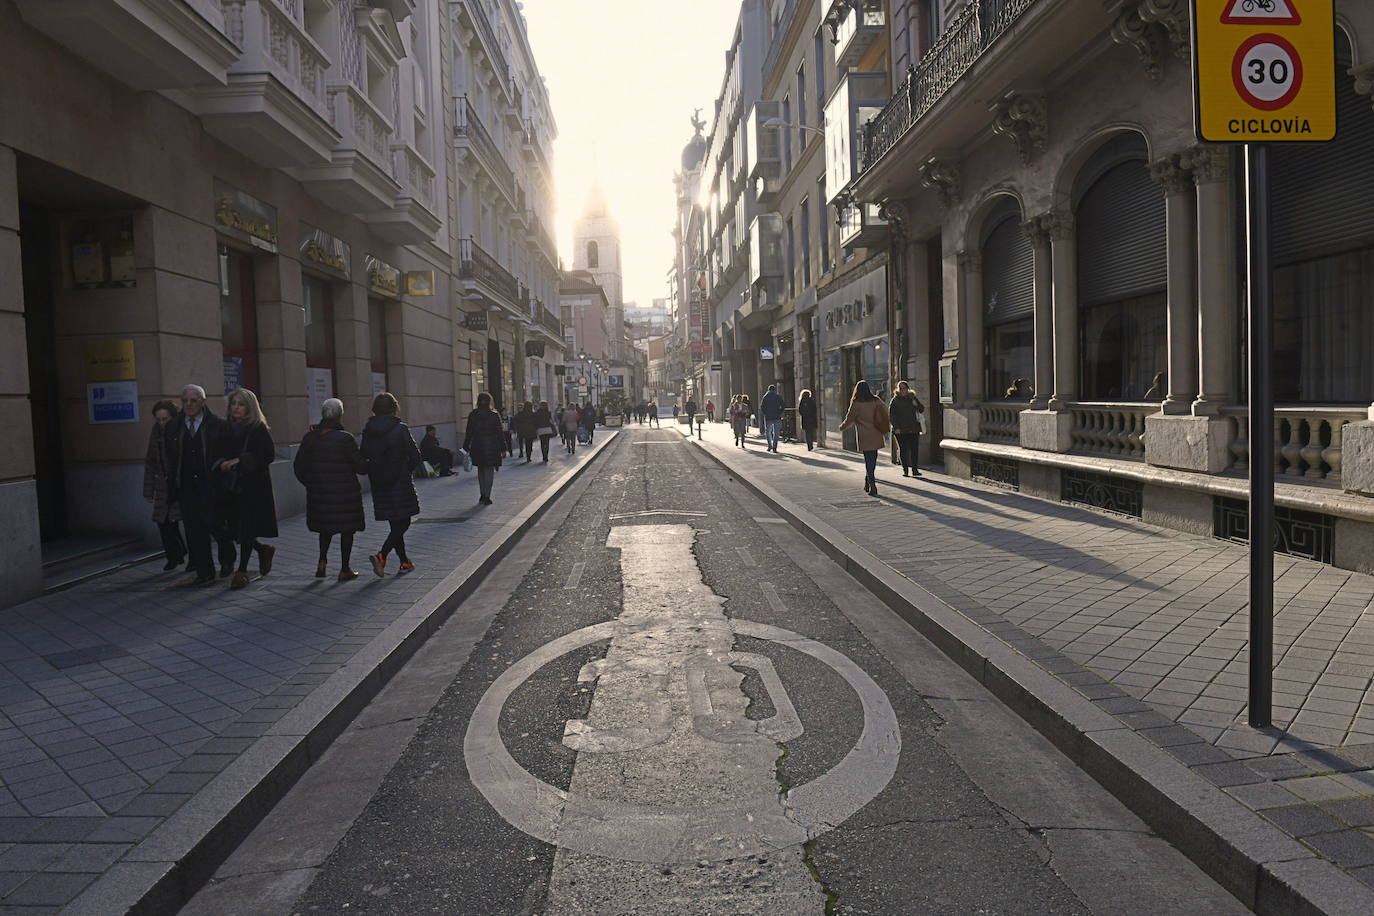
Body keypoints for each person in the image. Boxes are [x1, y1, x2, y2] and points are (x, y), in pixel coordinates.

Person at [166, 384, 235, 586]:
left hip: (211, 485)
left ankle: (227, 559)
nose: (188, 404)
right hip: (187, 486)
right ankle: (205, 571)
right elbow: (170, 457)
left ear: (203, 402)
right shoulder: (174, 426)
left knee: (218, 526)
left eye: (193, 400)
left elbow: (226, 453)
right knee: (195, 531)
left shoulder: (218, 426)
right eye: (185, 400)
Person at [294, 398, 366, 581]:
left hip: (320, 494)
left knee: (325, 530)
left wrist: (311, 484)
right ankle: (344, 568)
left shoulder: (309, 438)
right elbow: (359, 467)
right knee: (347, 530)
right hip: (345, 495)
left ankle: (322, 562)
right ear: (340, 416)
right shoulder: (345, 439)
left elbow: (299, 467)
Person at [214, 388, 278, 590]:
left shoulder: (257, 428)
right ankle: (263, 550)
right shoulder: (225, 428)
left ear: (249, 407)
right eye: (233, 404)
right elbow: (217, 452)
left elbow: (267, 455)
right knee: (233, 529)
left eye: (240, 404)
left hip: (252, 486)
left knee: (247, 527)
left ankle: (241, 571)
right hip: (230, 485)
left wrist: (241, 461)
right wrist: (222, 463)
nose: (236, 408)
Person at [360, 392, 422, 577]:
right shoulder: (400, 429)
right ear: (394, 408)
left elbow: (363, 455)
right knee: (403, 521)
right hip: (399, 481)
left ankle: (404, 561)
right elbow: (416, 456)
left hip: (380, 483)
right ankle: (382, 555)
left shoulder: (368, 430)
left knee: (395, 522)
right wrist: (405, 470)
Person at [143, 400, 185, 571]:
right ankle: (175, 555)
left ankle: (179, 554)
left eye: (165, 419)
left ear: (172, 418)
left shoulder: (179, 431)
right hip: (162, 485)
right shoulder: (156, 433)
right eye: (158, 419)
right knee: (163, 522)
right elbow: (150, 461)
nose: (161, 423)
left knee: (174, 520)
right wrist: (148, 490)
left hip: (178, 484)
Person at [840, 380, 890, 497]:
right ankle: (869, 481)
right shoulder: (876, 400)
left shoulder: (856, 403)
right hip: (876, 433)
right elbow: (885, 411)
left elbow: (850, 419)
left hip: (864, 436)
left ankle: (871, 483)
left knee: (868, 460)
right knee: (873, 460)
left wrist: (842, 427)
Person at [464, 392, 506, 505]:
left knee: (481, 470)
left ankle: (482, 494)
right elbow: (499, 433)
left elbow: (469, 432)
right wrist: (503, 448)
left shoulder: (473, 414)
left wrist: (466, 446)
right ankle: (487, 495)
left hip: (477, 445)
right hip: (492, 445)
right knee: (489, 471)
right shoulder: (494, 415)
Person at [888, 381, 925, 478]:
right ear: (898, 390)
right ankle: (905, 470)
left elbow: (922, 409)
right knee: (903, 450)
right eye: (900, 388)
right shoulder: (895, 400)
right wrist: (896, 428)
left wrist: (916, 404)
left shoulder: (912, 398)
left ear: (908, 388)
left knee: (914, 450)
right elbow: (892, 415)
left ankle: (915, 470)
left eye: (904, 388)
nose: (902, 390)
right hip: (900, 430)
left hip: (913, 429)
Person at [759, 384, 785, 452]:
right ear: (774, 390)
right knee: (776, 433)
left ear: (768, 390)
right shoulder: (778, 396)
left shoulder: (765, 397)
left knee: (768, 432)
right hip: (777, 416)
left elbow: (762, 407)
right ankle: (774, 447)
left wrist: (765, 413)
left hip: (768, 417)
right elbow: (783, 406)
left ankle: (769, 445)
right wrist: (780, 412)